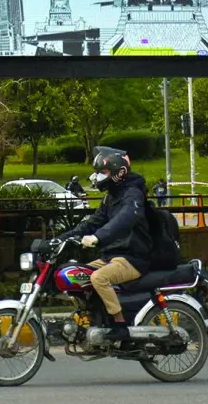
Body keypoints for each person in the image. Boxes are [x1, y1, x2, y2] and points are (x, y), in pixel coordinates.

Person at [59, 147, 152, 346]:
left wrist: (97, 238)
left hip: (133, 257)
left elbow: (124, 220)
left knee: (99, 277)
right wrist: (61, 238)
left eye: (104, 172)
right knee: (78, 274)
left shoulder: (133, 195)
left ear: (119, 172)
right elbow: (92, 222)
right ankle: (97, 318)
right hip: (112, 256)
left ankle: (120, 325)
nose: (98, 176)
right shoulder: (110, 197)